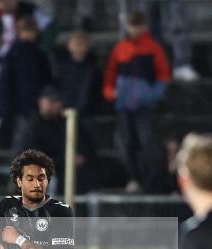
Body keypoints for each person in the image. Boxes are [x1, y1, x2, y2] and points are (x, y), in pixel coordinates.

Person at [104, 10, 170, 194]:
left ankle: (150, 180)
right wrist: (112, 94)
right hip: (124, 106)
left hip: (145, 107)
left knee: (148, 142)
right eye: (132, 25)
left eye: (138, 25)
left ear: (144, 26)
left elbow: (163, 74)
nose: (135, 29)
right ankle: (134, 178)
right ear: (127, 26)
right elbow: (110, 73)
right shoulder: (120, 48)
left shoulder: (153, 47)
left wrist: (152, 95)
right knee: (126, 144)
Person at [20, 85, 95, 193]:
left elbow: (87, 147)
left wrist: (77, 158)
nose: (56, 105)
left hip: (71, 172)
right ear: (40, 102)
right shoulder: (33, 126)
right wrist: (65, 159)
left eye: (57, 101)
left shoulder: (67, 122)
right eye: (51, 101)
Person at [0, 16, 53, 154]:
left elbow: (46, 78)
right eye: (25, 31)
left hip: (38, 106)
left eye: (31, 31)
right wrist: (6, 109)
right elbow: (5, 85)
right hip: (20, 108)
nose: (28, 34)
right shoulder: (12, 54)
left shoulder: (39, 54)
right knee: (21, 143)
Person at [0, 0, 55, 79]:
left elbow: (49, 26)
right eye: (1, 2)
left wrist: (42, 50)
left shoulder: (29, 10)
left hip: (29, 55)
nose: (6, 4)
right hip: (5, 59)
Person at [55, 30, 101, 117]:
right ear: (69, 46)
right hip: (65, 112)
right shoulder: (62, 68)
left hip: (89, 113)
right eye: (77, 44)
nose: (79, 47)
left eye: (83, 44)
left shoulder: (93, 68)